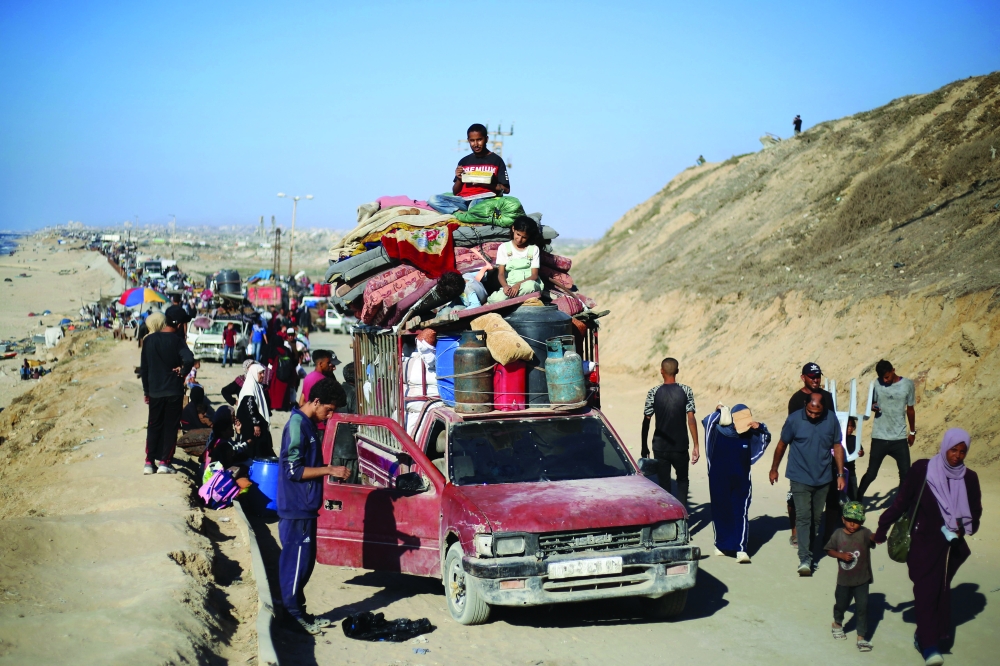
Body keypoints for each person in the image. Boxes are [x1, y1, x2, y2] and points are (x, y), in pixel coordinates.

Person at [874, 429, 981, 666]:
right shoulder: (922, 469)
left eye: (962, 452)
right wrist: (882, 528)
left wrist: (961, 529)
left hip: (949, 548)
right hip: (921, 544)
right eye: (953, 450)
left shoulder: (969, 478)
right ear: (945, 447)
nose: (957, 456)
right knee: (926, 592)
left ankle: (929, 635)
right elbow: (901, 501)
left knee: (940, 591)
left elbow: (975, 512)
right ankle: (930, 645)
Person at [277, 378, 351, 634]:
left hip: (305, 507)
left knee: (304, 564)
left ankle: (299, 611)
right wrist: (329, 470)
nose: (329, 416)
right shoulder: (297, 425)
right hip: (296, 507)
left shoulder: (307, 424)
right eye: (328, 410)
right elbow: (293, 470)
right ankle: (292, 617)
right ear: (316, 401)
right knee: (296, 564)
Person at [769, 392, 846, 576]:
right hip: (799, 476)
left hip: (823, 477)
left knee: (815, 518)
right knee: (803, 516)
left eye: (816, 413)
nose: (812, 415)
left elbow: (837, 445)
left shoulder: (831, 419)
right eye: (810, 411)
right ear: (805, 404)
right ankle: (805, 558)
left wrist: (840, 474)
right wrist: (774, 468)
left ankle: (808, 549)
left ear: (824, 408)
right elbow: (781, 444)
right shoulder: (794, 420)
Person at [704, 404, 770, 563]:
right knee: (720, 510)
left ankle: (741, 549)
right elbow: (707, 421)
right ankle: (721, 545)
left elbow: (765, 438)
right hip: (718, 479)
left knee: (740, 511)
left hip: (741, 480)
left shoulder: (748, 434)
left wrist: (760, 427)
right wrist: (720, 411)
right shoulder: (716, 432)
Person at [139, 305, 194, 475]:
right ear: (179, 324)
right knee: (170, 427)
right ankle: (165, 462)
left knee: (153, 425)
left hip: (155, 391)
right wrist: (183, 372)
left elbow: (144, 369)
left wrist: (147, 392)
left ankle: (149, 462)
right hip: (173, 391)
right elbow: (189, 359)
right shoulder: (177, 341)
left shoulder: (149, 340)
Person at [786, 362, 836, 548]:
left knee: (832, 497)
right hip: (801, 461)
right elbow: (793, 430)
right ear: (803, 377)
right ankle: (795, 532)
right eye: (812, 376)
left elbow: (832, 424)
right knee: (795, 498)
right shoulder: (796, 400)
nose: (816, 380)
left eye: (818, 376)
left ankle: (828, 536)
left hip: (824, 458)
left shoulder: (828, 397)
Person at [641, 357, 699, 509]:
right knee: (682, 481)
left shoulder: (653, 392)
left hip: (660, 447)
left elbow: (646, 420)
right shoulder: (686, 391)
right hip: (680, 446)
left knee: (664, 484)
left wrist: (644, 446)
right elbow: (691, 419)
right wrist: (696, 445)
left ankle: (668, 514)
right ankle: (682, 514)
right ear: (677, 371)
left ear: (661, 371)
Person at [858, 359, 916, 504]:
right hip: (879, 437)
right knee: (871, 473)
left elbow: (910, 410)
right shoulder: (876, 384)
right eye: (882, 378)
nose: (885, 380)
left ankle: (900, 505)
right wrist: (873, 407)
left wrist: (912, 432)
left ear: (893, 370)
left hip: (899, 438)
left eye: (887, 377)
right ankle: (856, 500)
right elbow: (871, 404)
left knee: (906, 474)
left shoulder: (907, 384)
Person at [825, 500, 876, 652]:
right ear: (843, 519)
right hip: (844, 580)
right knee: (841, 604)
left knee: (862, 607)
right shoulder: (838, 534)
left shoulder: (864, 533)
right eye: (849, 520)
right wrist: (840, 555)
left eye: (857, 521)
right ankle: (837, 623)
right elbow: (829, 550)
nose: (852, 524)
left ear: (862, 521)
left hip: (862, 579)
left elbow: (873, 538)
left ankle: (861, 636)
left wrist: (879, 536)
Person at [427, 123, 510, 215]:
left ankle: (468, 214)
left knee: (474, 206)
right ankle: (459, 213)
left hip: (484, 198)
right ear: (468, 141)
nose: (476, 144)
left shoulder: (496, 160)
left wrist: (483, 183)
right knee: (433, 199)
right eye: (472, 141)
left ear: (486, 139)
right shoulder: (464, 161)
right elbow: (455, 191)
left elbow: (506, 189)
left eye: (479, 140)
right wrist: (459, 178)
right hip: (463, 200)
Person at [486, 217, 543, 303]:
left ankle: (509, 300)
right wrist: (505, 286)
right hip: (511, 286)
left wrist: (518, 285)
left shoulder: (534, 249)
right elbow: (501, 274)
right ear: (513, 229)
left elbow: (534, 275)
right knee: (495, 299)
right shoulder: (504, 247)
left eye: (524, 237)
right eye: (518, 234)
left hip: (527, 285)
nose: (519, 240)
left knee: (531, 286)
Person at [236, 362, 276, 459]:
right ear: (254, 373)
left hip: (254, 425)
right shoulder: (250, 387)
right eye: (260, 373)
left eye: (263, 373)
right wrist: (256, 424)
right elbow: (251, 407)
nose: (262, 375)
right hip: (251, 427)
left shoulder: (256, 386)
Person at [331, 362, 359, 484]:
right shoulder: (355, 394)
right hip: (349, 450)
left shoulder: (336, 390)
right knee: (349, 486)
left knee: (334, 485)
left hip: (334, 446)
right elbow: (355, 422)